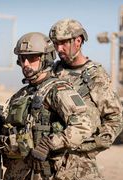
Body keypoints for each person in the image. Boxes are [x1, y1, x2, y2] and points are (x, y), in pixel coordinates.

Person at [0, 32, 107, 180]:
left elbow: (83, 125)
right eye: (22, 58)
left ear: (46, 58)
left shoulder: (58, 90)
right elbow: (4, 135)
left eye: (32, 58)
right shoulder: (20, 95)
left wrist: (49, 143)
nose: (26, 63)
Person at [49, 19, 123, 156]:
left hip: (78, 162)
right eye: (55, 43)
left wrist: (88, 145)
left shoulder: (95, 76)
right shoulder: (52, 72)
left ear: (78, 41)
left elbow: (115, 118)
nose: (59, 49)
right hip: (47, 158)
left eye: (63, 42)